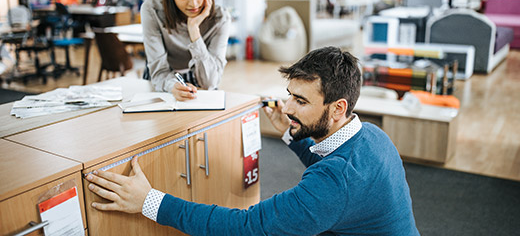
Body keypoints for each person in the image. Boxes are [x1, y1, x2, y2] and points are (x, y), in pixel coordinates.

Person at [86, 46, 419, 235]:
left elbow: (247, 227)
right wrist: (293, 133)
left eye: (300, 102)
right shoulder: (372, 135)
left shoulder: (333, 183)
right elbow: (335, 172)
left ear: (337, 108)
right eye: (289, 95)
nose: (287, 107)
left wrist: (150, 201)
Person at [141, 0, 231, 101]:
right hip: (161, 80)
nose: (193, 4)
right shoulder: (152, 10)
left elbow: (209, 82)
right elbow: (159, 72)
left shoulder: (220, 18)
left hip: (200, 79)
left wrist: (194, 30)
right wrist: (171, 86)